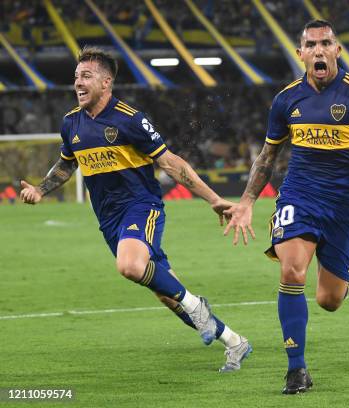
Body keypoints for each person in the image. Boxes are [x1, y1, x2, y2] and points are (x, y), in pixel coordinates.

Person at [223, 20, 349, 394]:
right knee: (292, 272)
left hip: (344, 207)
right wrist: (247, 201)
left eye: (326, 43)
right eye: (311, 44)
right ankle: (296, 369)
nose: (319, 50)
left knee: (329, 300)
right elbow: (268, 155)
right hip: (300, 197)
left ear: (337, 51)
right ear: (300, 54)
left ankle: (336, 264)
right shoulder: (287, 100)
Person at [19, 47, 251, 372]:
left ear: (106, 82)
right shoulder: (71, 123)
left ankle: (197, 306)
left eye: (86, 76)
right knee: (167, 294)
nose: (77, 83)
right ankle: (234, 342)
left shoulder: (130, 119)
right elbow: (66, 163)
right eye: (75, 77)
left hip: (141, 207)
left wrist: (213, 198)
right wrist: (40, 189)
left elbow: (171, 162)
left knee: (129, 266)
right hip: (109, 221)